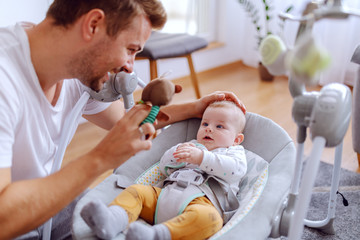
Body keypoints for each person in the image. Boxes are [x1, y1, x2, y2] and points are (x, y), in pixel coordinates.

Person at [0, 0, 246, 239]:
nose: (129, 68)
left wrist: (195, 108)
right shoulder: (5, 78)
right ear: (93, 24)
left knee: (105, 216)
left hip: (42, 203)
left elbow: (130, 123)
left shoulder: (72, 71)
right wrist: (101, 158)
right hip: (12, 218)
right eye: (130, 50)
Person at [80, 100, 247, 240]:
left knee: (210, 220)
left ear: (236, 139)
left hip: (201, 203)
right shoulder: (191, 146)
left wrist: (201, 158)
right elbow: (164, 168)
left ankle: (156, 235)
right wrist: (176, 154)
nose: (209, 129)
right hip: (163, 197)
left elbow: (234, 171)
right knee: (136, 191)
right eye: (205, 123)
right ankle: (113, 219)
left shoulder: (233, 153)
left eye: (219, 126)